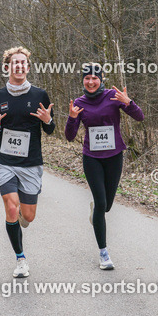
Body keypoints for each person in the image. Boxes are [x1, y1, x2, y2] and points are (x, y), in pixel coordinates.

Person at [65, 63, 144, 269]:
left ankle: (97, 211)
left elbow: (140, 117)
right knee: (101, 203)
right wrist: (72, 118)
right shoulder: (79, 103)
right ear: (83, 80)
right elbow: (69, 136)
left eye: (95, 78)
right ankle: (103, 253)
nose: (91, 81)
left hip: (114, 156)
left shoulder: (112, 96)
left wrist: (129, 103)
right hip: (92, 157)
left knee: (106, 206)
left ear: (101, 79)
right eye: (87, 78)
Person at [0, 46, 55, 278]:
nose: (19, 66)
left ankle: (22, 216)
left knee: (29, 215)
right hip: (3, 159)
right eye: (15, 62)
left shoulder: (39, 95)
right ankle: (20, 259)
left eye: (22, 62)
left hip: (30, 162)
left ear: (28, 67)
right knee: (11, 207)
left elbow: (50, 129)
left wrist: (48, 120)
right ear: (7, 67)